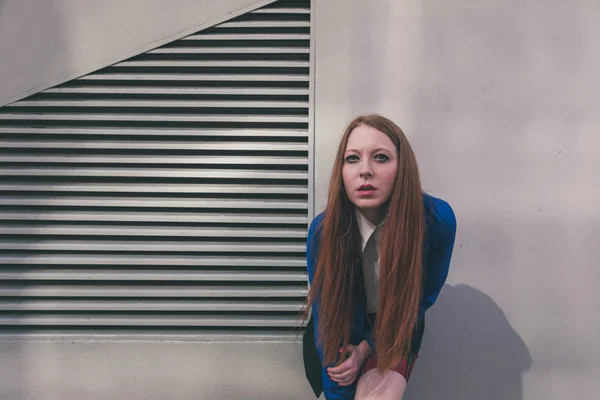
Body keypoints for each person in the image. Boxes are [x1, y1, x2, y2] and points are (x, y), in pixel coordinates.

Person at [302, 114, 456, 400]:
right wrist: (340, 385)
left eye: (381, 157)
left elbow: (423, 295)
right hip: (339, 327)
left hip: (398, 321)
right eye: (352, 159)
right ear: (341, 170)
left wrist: (367, 348)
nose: (365, 171)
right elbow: (327, 318)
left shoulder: (436, 221)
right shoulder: (322, 232)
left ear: (402, 167)